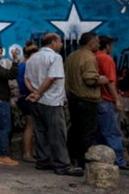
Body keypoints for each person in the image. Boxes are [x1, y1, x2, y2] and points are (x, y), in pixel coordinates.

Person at [25, 33, 83, 176]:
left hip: (36, 102)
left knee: (41, 132)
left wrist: (34, 92)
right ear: (53, 43)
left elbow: (26, 79)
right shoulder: (55, 57)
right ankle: (62, 165)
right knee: (58, 134)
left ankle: (43, 161)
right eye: (60, 42)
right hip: (51, 101)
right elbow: (51, 78)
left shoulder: (32, 58)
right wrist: (39, 93)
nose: (62, 44)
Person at [64, 32, 109, 168]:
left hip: (73, 98)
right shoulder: (89, 58)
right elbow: (90, 79)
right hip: (86, 100)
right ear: (90, 43)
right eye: (97, 42)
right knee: (87, 132)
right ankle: (84, 162)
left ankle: (72, 157)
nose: (99, 44)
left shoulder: (72, 56)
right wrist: (102, 79)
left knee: (75, 129)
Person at [95, 35, 129, 170]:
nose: (112, 47)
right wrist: (117, 100)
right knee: (113, 132)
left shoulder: (94, 57)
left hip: (98, 99)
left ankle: (101, 158)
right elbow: (111, 82)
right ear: (107, 46)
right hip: (107, 99)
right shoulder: (107, 59)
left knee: (101, 132)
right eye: (111, 45)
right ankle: (119, 161)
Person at [16, 41, 39, 163]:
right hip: (28, 97)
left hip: (23, 96)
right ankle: (27, 153)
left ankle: (29, 152)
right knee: (30, 126)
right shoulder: (27, 66)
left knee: (29, 125)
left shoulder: (21, 65)